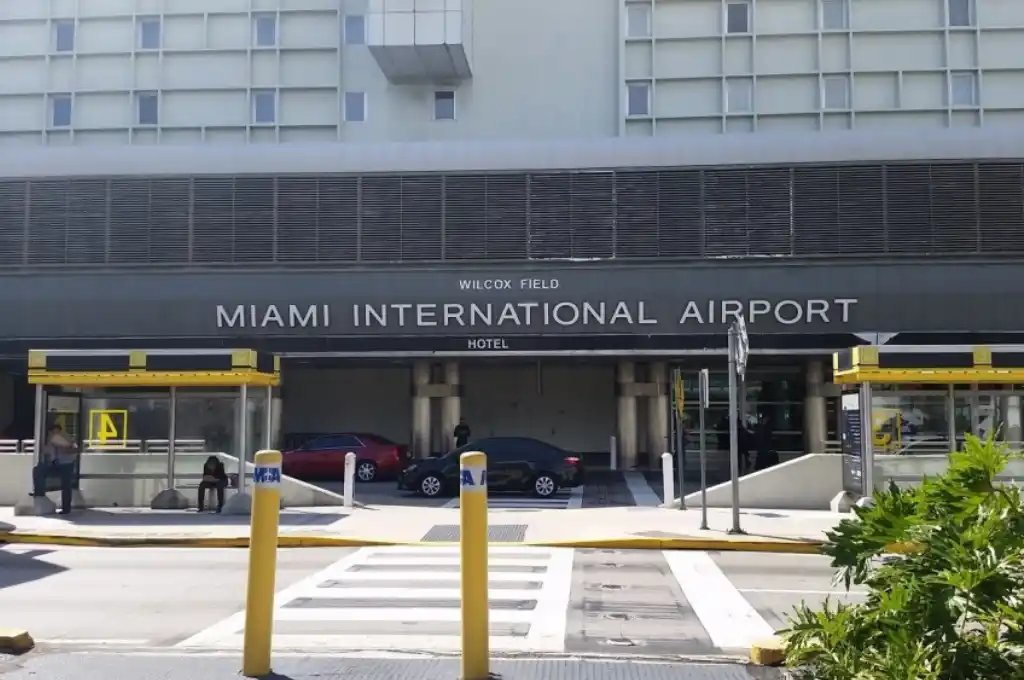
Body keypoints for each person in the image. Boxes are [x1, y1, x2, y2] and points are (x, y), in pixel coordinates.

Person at [31, 424, 77, 515]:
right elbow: (46, 451)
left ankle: (66, 508)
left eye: (56, 432)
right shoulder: (50, 441)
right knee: (38, 470)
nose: (53, 434)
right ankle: (38, 493)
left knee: (66, 485)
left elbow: (74, 447)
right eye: (52, 432)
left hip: (66, 464)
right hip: (55, 464)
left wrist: (65, 447)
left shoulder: (66, 438)